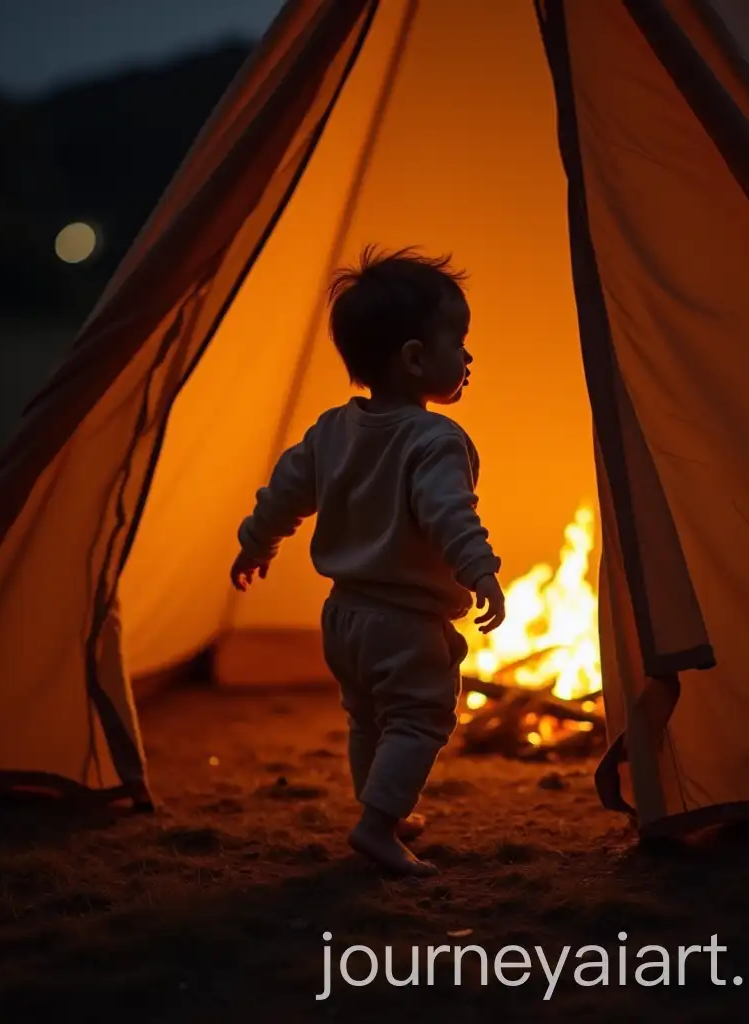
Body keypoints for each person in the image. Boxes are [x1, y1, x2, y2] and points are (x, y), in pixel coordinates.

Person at [229, 245, 505, 876]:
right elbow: (448, 516)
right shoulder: (436, 440)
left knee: (368, 716)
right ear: (414, 358)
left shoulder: (331, 429)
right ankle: (379, 827)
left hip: (344, 617)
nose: (466, 356)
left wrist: (256, 542)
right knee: (421, 716)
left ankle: (381, 809)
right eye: (457, 341)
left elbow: (283, 494)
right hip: (405, 622)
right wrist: (481, 571)